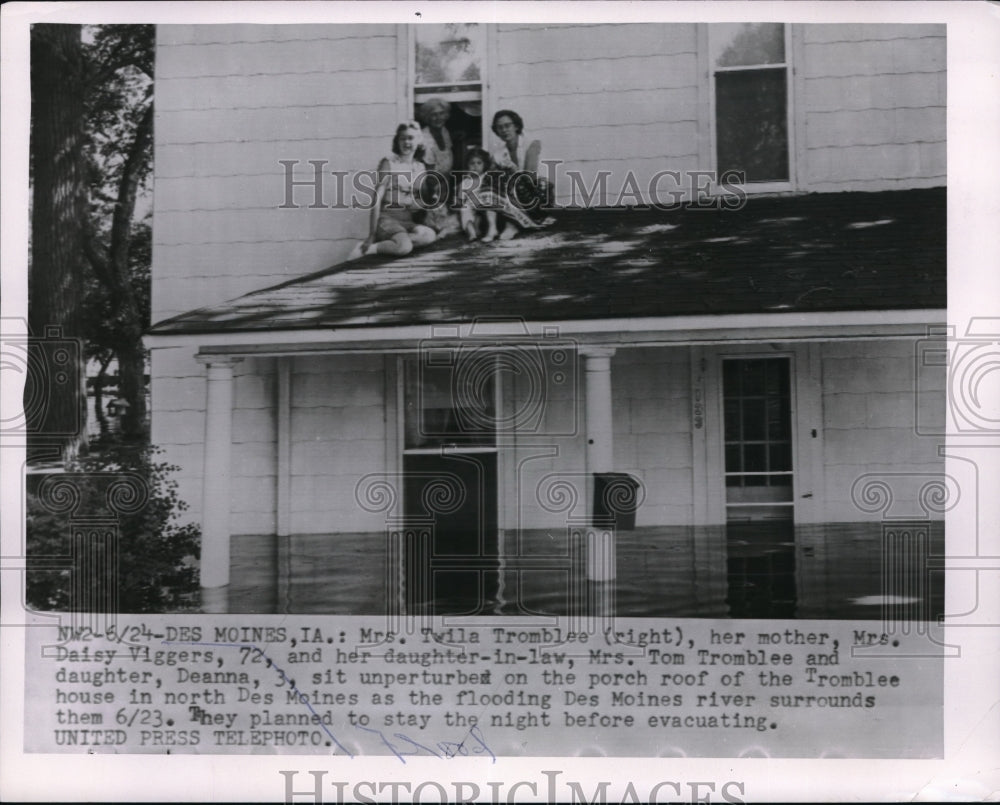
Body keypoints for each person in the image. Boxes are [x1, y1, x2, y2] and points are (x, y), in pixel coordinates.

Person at [352, 121, 437, 258]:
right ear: (397, 141)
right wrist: (371, 235)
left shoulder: (420, 167)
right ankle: (369, 249)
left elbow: (421, 198)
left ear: (419, 141)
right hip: (388, 219)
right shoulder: (389, 163)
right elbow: (376, 199)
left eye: (411, 138)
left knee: (429, 235)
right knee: (404, 247)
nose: (406, 142)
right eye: (402, 138)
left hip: (407, 220)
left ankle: (396, 242)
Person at [489, 109, 555, 239]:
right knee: (493, 181)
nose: (504, 130)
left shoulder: (531, 144)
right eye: (500, 127)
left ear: (516, 126)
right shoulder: (498, 152)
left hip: (538, 193)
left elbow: (530, 177)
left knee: (508, 179)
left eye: (507, 125)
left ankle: (511, 225)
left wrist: (512, 171)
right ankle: (494, 227)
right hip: (515, 194)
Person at [417, 97, 459, 236]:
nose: (438, 118)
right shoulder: (424, 137)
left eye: (441, 113)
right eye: (433, 114)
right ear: (427, 117)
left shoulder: (444, 131)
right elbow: (430, 175)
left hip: (446, 180)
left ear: (446, 115)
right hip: (432, 185)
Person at [457, 147, 499, 242]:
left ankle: (490, 230)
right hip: (471, 204)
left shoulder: (486, 177)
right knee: (464, 209)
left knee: (489, 200)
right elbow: (461, 198)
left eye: (479, 163)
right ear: (467, 165)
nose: (475, 166)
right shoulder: (466, 181)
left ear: (485, 164)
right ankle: (471, 232)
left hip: (485, 201)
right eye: (472, 163)